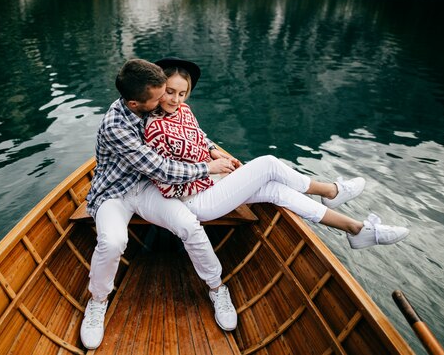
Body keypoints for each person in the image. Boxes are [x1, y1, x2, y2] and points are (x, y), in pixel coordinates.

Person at [144, 57, 410, 250]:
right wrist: (211, 172)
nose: (176, 99)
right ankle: (330, 191)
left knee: (277, 190)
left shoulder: (184, 111)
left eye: (182, 93)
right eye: (169, 92)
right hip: (194, 200)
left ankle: (358, 230)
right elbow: (167, 187)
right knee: (268, 164)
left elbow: (200, 136)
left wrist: (213, 152)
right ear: (157, 88)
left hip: (211, 182)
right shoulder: (154, 127)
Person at [79, 59, 238, 350]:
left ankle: (217, 288)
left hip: (147, 188)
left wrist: (212, 150)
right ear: (134, 103)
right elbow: (161, 169)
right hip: (114, 193)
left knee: (189, 225)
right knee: (113, 242)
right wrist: (208, 168)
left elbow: (191, 130)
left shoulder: (152, 104)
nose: (165, 100)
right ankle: (98, 301)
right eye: (158, 97)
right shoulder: (117, 126)